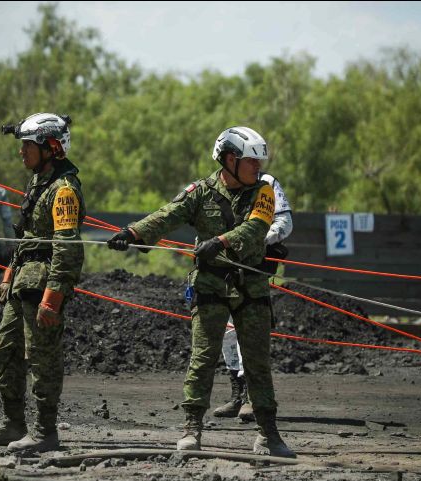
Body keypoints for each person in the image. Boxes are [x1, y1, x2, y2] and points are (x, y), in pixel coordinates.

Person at [106, 126, 295, 458]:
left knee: (257, 362)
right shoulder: (200, 192)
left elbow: (256, 228)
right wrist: (133, 234)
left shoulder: (263, 191)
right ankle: (191, 430)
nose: (258, 167)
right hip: (209, 285)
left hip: (251, 288)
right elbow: (168, 215)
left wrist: (220, 242)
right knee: (203, 358)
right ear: (230, 160)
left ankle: (269, 435)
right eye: (252, 161)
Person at [0, 113, 85, 453]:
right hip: (22, 280)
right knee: (5, 348)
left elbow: (67, 248)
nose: (21, 152)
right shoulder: (37, 183)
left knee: (41, 356)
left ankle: (45, 431)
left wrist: (53, 299)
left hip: (43, 284)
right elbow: (25, 237)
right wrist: (8, 274)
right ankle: (13, 423)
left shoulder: (64, 190)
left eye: (28, 146)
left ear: (50, 148)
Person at [213, 171, 293, 421]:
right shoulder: (218, 184)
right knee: (227, 332)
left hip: (254, 268)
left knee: (247, 330)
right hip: (223, 267)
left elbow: (284, 221)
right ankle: (237, 395)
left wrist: (260, 239)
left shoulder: (267, 183)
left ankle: (252, 398)